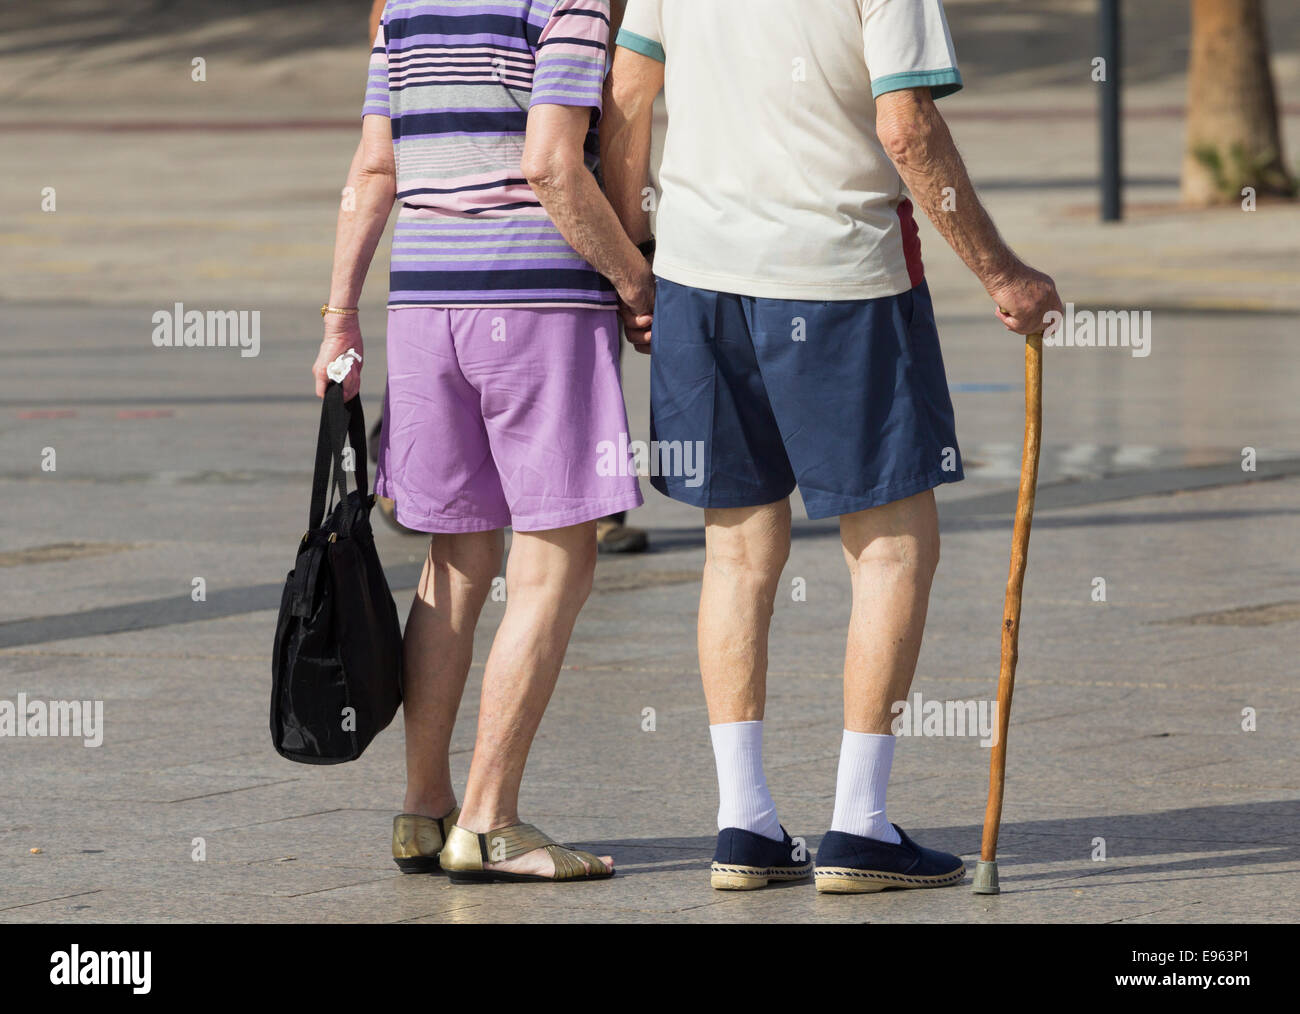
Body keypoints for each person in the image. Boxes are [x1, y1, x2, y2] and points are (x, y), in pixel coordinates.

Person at [601, 0, 1063, 893]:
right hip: (839, 274)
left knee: (735, 552)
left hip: (699, 277)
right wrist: (1001, 270)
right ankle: (858, 824)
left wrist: (641, 251)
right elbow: (906, 123)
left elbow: (628, 92)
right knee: (891, 547)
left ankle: (744, 823)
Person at [313, 0, 653, 883]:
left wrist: (339, 313)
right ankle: (491, 822)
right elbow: (552, 166)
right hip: (537, 301)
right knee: (555, 562)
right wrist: (636, 281)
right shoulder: (563, 4)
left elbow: (374, 166)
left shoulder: (409, 7)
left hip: (425, 308)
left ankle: (424, 810)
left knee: (454, 562)